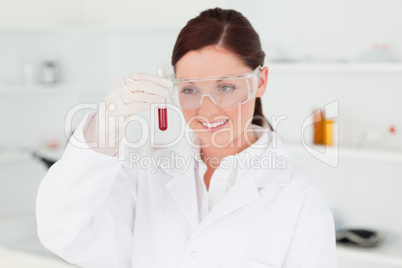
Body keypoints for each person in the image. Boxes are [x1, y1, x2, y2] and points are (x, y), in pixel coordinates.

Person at [36, 7, 337, 268]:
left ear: (261, 81)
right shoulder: (149, 175)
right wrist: (107, 122)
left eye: (226, 87)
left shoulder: (299, 196)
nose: (207, 109)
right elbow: (60, 232)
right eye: (190, 89)